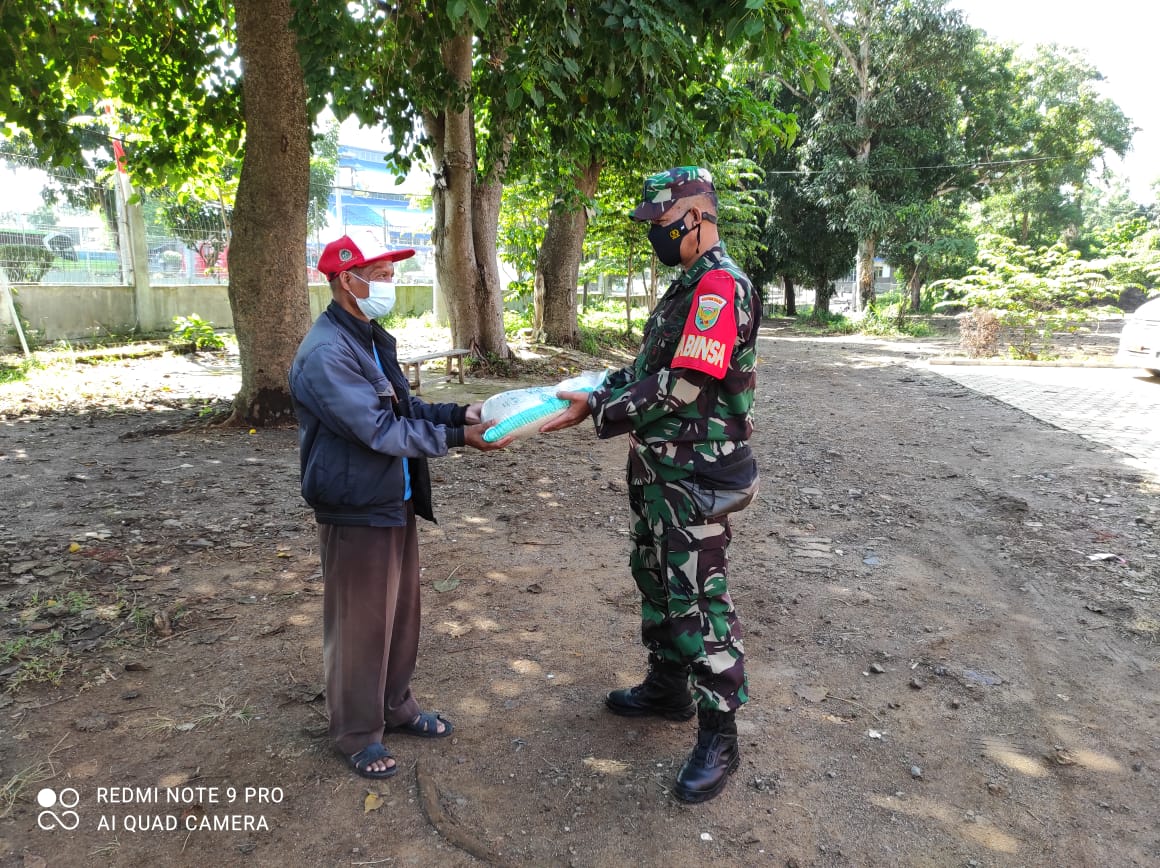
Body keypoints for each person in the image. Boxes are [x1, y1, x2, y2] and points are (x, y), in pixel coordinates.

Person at [541, 167, 760, 803]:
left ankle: (720, 734)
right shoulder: (685, 286)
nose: (656, 238)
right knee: (657, 576)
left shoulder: (720, 286)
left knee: (698, 594)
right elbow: (652, 369)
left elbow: (686, 386)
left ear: (697, 216)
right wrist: (601, 384)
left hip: (697, 473)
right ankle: (668, 687)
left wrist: (602, 408)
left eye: (663, 225)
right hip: (662, 468)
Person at [290, 232, 511, 779]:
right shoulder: (325, 353)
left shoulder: (367, 336)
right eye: (383, 274)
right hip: (355, 505)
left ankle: (394, 705)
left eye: (391, 273)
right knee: (360, 623)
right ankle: (356, 731)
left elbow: (408, 406)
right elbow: (379, 428)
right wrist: (464, 441)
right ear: (347, 279)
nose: (392, 283)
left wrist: (466, 412)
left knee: (399, 615)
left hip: (393, 497)